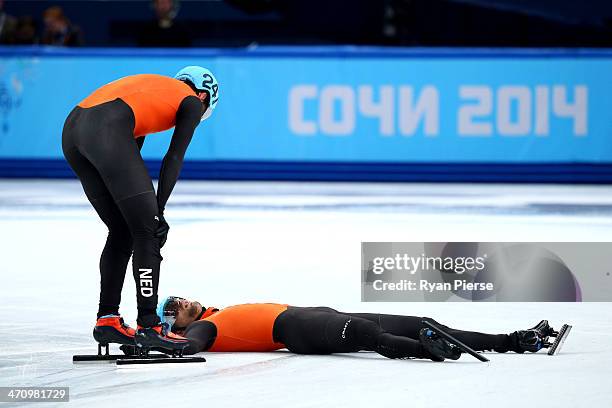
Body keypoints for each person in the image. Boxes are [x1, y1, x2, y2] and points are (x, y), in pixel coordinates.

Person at [61, 67, 220, 353]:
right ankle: (150, 325)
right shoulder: (192, 101)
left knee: (123, 231)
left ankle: (107, 319)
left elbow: (129, 152)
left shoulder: (156, 91)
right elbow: (173, 157)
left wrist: (150, 213)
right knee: (147, 229)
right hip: (106, 126)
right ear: (203, 94)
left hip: (74, 128)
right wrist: (158, 212)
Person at [142, 296, 556, 362]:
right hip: (292, 328)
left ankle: (516, 341)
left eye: (176, 298)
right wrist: (162, 343)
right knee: (363, 333)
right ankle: (425, 350)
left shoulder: (217, 311)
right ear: (173, 325)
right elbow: (192, 343)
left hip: (314, 315)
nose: (179, 304)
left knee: (426, 322)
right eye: (172, 310)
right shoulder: (208, 328)